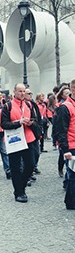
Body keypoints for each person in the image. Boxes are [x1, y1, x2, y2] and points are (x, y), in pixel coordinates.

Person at [1, 83, 35, 203]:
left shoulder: (29, 105)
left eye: (23, 91)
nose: (22, 93)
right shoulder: (7, 106)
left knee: (31, 164)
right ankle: (19, 192)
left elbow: (35, 119)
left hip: (27, 138)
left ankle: (21, 186)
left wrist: (31, 123)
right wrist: (18, 122)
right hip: (14, 139)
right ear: (14, 91)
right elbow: (3, 124)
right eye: (19, 91)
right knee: (15, 167)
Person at [57, 79, 75, 209]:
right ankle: (71, 202)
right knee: (73, 175)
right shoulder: (65, 107)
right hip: (72, 145)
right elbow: (61, 130)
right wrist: (65, 150)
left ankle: (70, 200)